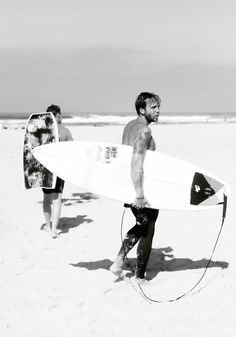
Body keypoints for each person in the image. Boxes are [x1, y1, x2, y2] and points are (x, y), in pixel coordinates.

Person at [110, 92, 161, 281]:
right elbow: (136, 163)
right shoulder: (144, 131)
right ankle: (139, 277)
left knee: (143, 224)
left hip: (127, 185)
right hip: (138, 188)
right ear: (142, 109)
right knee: (148, 228)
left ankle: (118, 262)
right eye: (153, 107)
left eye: (158, 107)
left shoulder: (129, 126)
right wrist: (139, 194)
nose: (158, 111)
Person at [42, 104, 73, 238]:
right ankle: (54, 230)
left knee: (46, 198)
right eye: (60, 116)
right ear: (58, 116)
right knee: (57, 199)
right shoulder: (65, 131)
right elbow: (72, 150)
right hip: (59, 169)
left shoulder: (43, 130)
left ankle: (48, 226)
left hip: (45, 169)